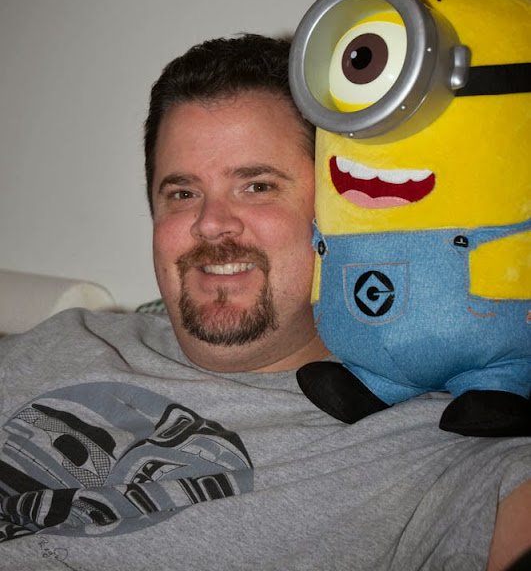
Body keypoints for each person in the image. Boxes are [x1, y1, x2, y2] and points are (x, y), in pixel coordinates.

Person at [0, 34, 529, 571]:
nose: (210, 223)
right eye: (182, 193)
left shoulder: (440, 446)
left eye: (257, 186)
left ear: (337, 214)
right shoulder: (70, 337)